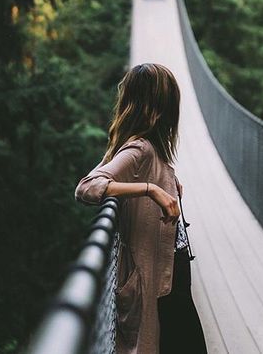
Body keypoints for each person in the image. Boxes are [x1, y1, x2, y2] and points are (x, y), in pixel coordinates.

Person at [74, 63, 208, 354]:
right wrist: (152, 190)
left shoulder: (149, 150)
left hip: (172, 279)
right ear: (157, 110)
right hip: (156, 286)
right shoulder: (140, 149)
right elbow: (87, 186)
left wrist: (169, 184)